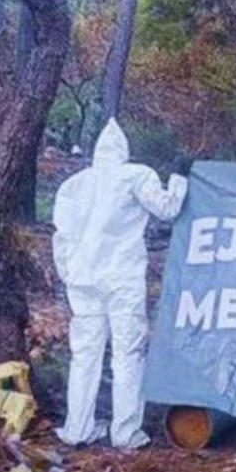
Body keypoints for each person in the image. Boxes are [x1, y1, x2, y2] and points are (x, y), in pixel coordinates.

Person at [52, 118, 190, 450]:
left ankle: (77, 428)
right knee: (128, 353)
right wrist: (179, 178)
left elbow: (61, 235)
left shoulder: (74, 185)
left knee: (84, 354)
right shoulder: (134, 175)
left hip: (82, 280)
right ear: (124, 151)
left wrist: (68, 272)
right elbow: (167, 208)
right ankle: (125, 432)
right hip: (122, 277)